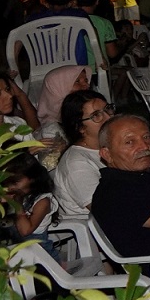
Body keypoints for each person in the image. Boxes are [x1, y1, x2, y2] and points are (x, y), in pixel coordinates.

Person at [50, 88, 114, 221]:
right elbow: (105, 209)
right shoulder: (76, 164)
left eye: (107, 109)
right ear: (80, 128)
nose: (108, 117)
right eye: (96, 115)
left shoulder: (111, 144)